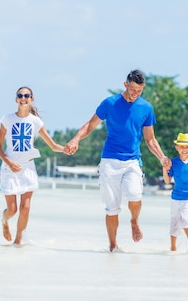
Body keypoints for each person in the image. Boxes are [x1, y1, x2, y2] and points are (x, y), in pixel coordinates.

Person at [64, 69, 171, 252]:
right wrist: (75, 139)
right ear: (125, 85)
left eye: (139, 91)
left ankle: (134, 221)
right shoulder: (110, 103)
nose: (135, 94)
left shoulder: (146, 108)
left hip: (132, 161)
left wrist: (162, 157)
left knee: (135, 196)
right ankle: (113, 247)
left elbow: (150, 139)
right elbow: (90, 125)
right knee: (111, 208)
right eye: (133, 89)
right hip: (110, 161)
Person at [0, 86, 65, 246]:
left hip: (27, 168)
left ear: (31, 99)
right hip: (9, 167)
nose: (23, 98)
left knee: (25, 208)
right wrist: (9, 162)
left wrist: (66, 149)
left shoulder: (36, 122)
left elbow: (52, 145)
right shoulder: (7, 119)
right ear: (16, 99)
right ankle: (4, 221)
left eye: (27, 95)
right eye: (20, 95)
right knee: (12, 210)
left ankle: (18, 243)